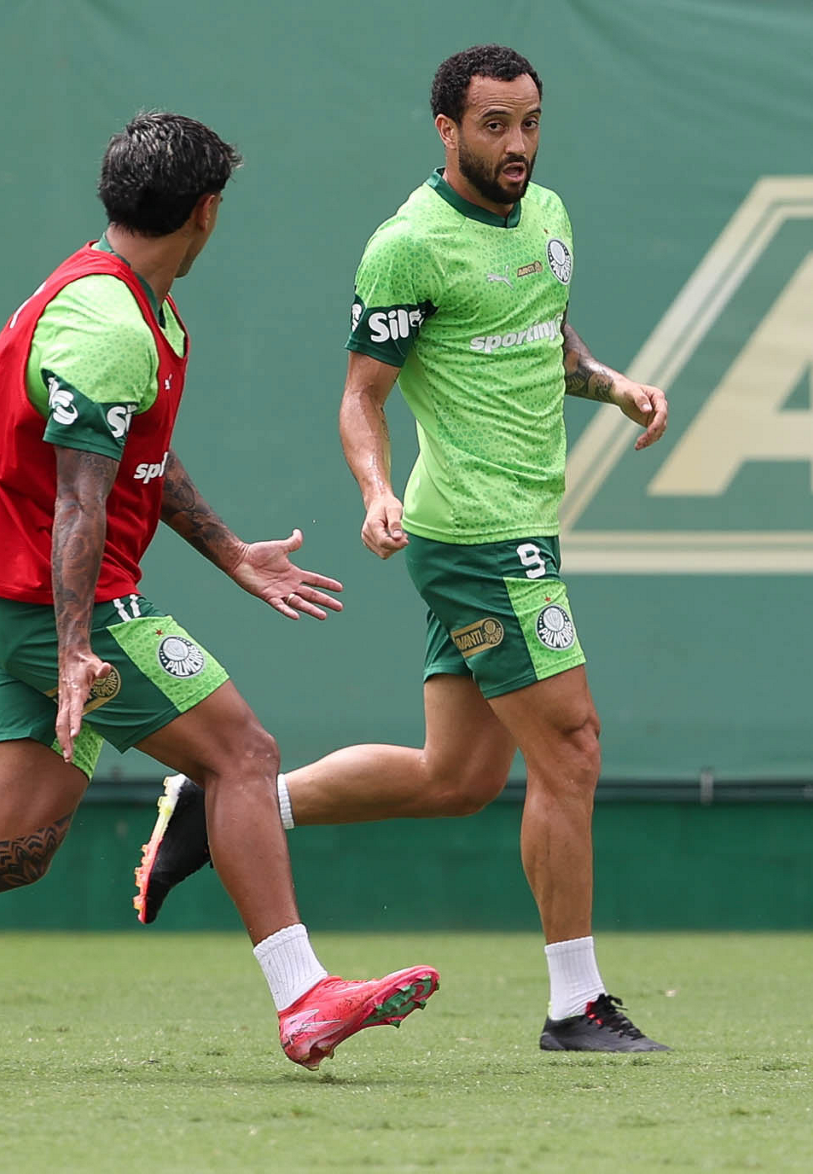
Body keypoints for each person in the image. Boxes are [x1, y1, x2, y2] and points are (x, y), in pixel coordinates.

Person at [0, 113, 438, 1083]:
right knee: (242, 754)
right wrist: (71, 650)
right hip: (62, 610)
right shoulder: (107, 325)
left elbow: (136, 456)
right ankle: (301, 993)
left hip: (11, 601)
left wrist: (231, 553)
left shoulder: (125, 303)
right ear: (207, 212)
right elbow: (79, 500)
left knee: (12, 843)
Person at [134, 48, 671, 1053]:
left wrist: (613, 385)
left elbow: (546, 341)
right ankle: (575, 1004)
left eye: (529, 122)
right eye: (493, 125)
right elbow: (360, 396)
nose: (516, 144)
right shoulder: (408, 245)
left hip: (523, 526)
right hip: (474, 537)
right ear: (445, 129)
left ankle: (229, 810)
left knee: (456, 778)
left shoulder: (549, 218)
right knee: (571, 746)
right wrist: (376, 491)